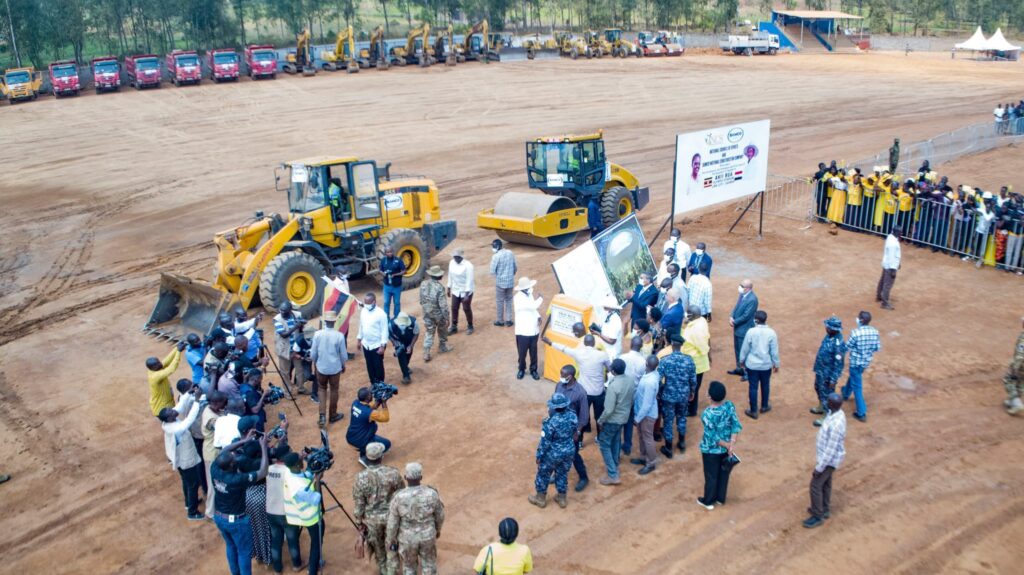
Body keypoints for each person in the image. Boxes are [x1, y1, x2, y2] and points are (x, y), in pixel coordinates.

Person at [212, 431, 269, 575]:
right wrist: (263, 447)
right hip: (237, 521)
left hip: (219, 516)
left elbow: (224, 451)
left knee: (231, 546)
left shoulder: (215, 468)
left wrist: (244, 440)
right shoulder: (236, 479)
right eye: (233, 458)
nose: (234, 456)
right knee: (244, 552)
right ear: (232, 465)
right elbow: (262, 472)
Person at [543, 334, 609, 444]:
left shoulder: (579, 353)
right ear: (593, 344)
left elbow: (564, 348)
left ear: (584, 344)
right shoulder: (602, 355)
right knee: (599, 416)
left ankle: (580, 440)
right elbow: (610, 368)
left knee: (581, 414)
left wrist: (550, 342)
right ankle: (600, 438)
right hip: (598, 392)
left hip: (584, 392)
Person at [353, 442, 406, 574]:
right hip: (391, 519)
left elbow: (359, 504)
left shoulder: (360, 478)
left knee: (379, 549)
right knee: (392, 548)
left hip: (372, 521)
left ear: (367, 457)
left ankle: (383, 570)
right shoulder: (393, 473)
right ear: (381, 457)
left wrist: (359, 522)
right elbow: (401, 495)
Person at [386, 462, 445, 575]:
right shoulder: (432, 494)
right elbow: (440, 515)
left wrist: (391, 539)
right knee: (429, 565)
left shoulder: (398, 497)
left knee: (409, 567)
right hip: (427, 536)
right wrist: (437, 530)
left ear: (405, 477)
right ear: (421, 477)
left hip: (407, 539)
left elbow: (392, 523)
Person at [158, 385, 204, 521]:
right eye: (171, 413)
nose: (174, 411)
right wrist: (196, 401)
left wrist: (187, 394)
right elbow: (190, 419)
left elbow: (179, 406)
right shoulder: (177, 428)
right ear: (169, 418)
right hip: (186, 459)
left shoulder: (167, 423)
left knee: (186, 481)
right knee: (193, 484)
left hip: (179, 459)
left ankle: (188, 503)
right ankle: (192, 511)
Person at [696, 381, 742, 510]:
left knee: (711, 475)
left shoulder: (707, 414)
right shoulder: (729, 406)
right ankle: (721, 498)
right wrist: (731, 444)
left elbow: (712, 437)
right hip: (725, 449)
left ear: (709, 396)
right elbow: (735, 425)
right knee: (724, 473)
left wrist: (727, 445)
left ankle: (708, 501)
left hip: (710, 450)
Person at [803, 393, 846, 528]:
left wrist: (819, 468)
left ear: (833, 404)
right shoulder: (834, 413)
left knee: (815, 486)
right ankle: (825, 509)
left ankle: (817, 515)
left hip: (828, 460)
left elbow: (830, 450)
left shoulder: (837, 424)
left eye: (829, 401)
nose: (826, 402)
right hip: (827, 458)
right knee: (826, 483)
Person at [528, 393, 579, 508]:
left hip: (553, 453)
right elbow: (576, 433)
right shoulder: (573, 416)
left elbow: (545, 442)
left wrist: (539, 456)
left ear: (554, 407)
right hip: (569, 450)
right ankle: (562, 498)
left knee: (543, 473)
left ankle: (540, 499)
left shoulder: (550, 422)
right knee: (562, 473)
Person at [281, 452, 323, 575]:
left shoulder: (288, 471)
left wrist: (310, 471)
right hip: (310, 517)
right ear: (298, 465)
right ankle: (312, 570)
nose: (303, 461)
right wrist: (318, 481)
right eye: (301, 460)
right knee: (316, 543)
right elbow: (316, 499)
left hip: (295, 514)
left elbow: (303, 475)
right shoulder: (298, 488)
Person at [266, 441, 304, 574]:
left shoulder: (269, 468)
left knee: (276, 540)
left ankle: (277, 569)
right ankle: (297, 565)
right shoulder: (289, 471)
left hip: (271, 510)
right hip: (286, 512)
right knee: (292, 539)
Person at [597, 359, 636, 486]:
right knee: (616, 440)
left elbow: (608, 409)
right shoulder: (630, 380)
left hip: (613, 419)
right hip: (623, 417)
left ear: (613, 371)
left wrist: (600, 420)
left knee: (604, 444)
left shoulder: (613, 386)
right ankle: (615, 462)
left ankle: (613, 474)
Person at [657, 334, 696, 458]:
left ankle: (668, 448)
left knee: (668, 420)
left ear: (672, 344)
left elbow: (658, 379)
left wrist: (659, 393)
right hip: (684, 395)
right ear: (681, 345)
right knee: (682, 417)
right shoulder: (689, 360)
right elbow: (693, 380)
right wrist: (692, 392)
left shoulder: (665, 360)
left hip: (668, 395)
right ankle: (682, 443)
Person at [554, 365, 590, 492]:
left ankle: (584, 477)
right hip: (557, 427)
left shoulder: (580, 393)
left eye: (563, 375)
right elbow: (554, 402)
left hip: (572, 430)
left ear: (570, 377)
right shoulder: (559, 385)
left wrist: (578, 431)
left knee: (573, 454)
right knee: (557, 452)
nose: (561, 377)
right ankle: (558, 473)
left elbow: (584, 416)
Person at [738, 310, 779, 419]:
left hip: (752, 365)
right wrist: (776, 364)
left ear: (756, 320)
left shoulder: (751, 332)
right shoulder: (771, 333)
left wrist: (741, 361)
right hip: (766, 365)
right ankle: (764, 406)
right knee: (765, 385)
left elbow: (745, 348)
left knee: (753, 387)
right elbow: (774, 351)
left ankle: (753, 410)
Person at [843, 311, 881, 423]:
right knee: (855, 377)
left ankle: (861, 412)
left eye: (858, 318)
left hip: (855, 362)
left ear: (861, 320)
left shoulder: (855, 333)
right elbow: (877, 348)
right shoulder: (875, 332)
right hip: (865, 362)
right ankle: (845, 393)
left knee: (857, 387)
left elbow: (847, 347)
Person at [312, 311, 347, 427]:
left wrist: (316, 362)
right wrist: (343, 365)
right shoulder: (339, 336)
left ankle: (322, 416)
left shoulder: (317, 334)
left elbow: (313, 354)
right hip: (335, 368)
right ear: (335, 321)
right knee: (334, 390)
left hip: (321, 367)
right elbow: (344, 356)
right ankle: (333, 415)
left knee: (321, 389)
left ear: (324, 321)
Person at [812, 316, 846, 427]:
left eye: (828, 326)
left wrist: (833, 379)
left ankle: (827, 415)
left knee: (827, 394)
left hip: (828, 374)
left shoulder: (838, 344)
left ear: (833, 329)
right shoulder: (829, 336)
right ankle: (821, 406)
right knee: (818, 387)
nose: (826, 327)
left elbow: (838, 364)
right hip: (821, 370)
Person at [631, 355, 660, 475]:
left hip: (646, 415)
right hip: (642, 412)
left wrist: (638, 418)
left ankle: (651, 463)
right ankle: (643, 457)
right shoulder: (651, 373)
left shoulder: (650, 382)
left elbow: (647, 404)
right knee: (642, 436)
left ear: (647, 364)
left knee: (647, 439)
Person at [202, 390, 228, 519]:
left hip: (216, 450)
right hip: (212, 452)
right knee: (213, 484)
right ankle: (210, 512)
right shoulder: (209, 417)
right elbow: (219, 426)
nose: (224, 405)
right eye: (222, 403)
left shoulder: (212, 409)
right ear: (215, 403)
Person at [347, 387, 391, 463]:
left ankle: (363, 451)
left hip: (351, 437)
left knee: (373, 436)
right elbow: (385, 418)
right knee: (387, 444)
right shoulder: (370, 413)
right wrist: (384, 403)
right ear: (368, 397)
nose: (372, 395)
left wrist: (379, 401)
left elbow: (371, 407)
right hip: (359, 441)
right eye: (370, 394)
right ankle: (367, 458)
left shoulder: (355, 403)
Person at [681, 306, 711, 417]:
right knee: (692, 386)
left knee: (693, 387)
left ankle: (691, 410)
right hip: (693, 362)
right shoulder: (700, 320)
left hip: (695, 363)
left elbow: (702, 346)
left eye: (688, 313)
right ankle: (690, 407)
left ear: (692, 316)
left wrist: (706, 352)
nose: (686, 314)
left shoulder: (696, 329)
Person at [419, 265, 453, 361]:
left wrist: (425, 308)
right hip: (438, 314)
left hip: (426, 312)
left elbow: (421, 299)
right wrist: (447, 317)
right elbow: (443, 305)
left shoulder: (423, 284)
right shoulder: (440, 287)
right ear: (439, 276)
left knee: (429, 331)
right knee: (442, 329)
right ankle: (442, 346)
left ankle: (426, 353)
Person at [513, 276, 543, 380]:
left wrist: (538, 316)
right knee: (522, 352)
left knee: (533, 351)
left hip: (533, 329)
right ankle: (521, 369)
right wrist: (540, 298)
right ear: (522, 289)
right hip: (523, 331)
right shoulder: (518, 298)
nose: (529, 289)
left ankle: (533, 369)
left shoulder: (529, 294)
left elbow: (533, 310)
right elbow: (532, 306)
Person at [727, 280, 758, 381]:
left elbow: (746, 316)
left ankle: (747, 373)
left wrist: (734, 322)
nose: (740, 287)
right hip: (738, 327)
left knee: (744, 351)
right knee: (737, 349)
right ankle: (739, 368)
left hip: (744, 329)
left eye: (742, 286)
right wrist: (731, 316)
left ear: (748, 288)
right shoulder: (742, 295)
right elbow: (736, 307)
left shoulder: (752, 299)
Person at [147, 341, 186, 417]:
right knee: (172, 424)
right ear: (153, 368)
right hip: (162, 409)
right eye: (157, 364)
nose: (160, 363)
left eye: (158, 361)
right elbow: (171, 368)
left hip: (166, 403)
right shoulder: (155, 376)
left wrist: (176, 349)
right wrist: (178, 352)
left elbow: (166, 361)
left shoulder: (155, 368)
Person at [358, 292, 389, 385]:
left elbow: (384, 331)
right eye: (365, 303)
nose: (366, 305)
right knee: (369, 365)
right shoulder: (363, 311)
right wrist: (359, 339)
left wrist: (383, 346)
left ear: (374, 302)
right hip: (366, 344)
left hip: (377, 345)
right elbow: (361, 326)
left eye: (368, 303)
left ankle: (380, 383)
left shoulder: (381, 314)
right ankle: (373, 383)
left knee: (378, 366)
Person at [272, 302, 303, 387]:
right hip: (284, 349)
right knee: (285, 372)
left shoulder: (297, 315)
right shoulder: (277, 319)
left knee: (299, 370)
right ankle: (287, 392)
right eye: (281, 310)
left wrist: (301, 325)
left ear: (290, 310)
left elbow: (301, 330)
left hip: (296, 348)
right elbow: (284, 335)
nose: (282, 312)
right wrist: (296, 326)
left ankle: (301, 388)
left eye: (284, 311)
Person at [490, 239, 518, 327]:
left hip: (500, 283)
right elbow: (515, 267)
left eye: (493, 246)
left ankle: (500, 320)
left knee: (500, 301)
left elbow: (492, 271)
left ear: (497, 247)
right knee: (509, 300)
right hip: (510, 282)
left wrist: (498, 277)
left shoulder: (495, 257)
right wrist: (510, 276)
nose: (493, 248)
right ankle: (509, 320)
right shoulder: (510, 253)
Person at [447, 248, 475, 335]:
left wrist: (466, 295)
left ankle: (470, 325)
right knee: (454, 307)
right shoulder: (451, 263)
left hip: (466, 290)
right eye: (454, 257)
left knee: (466, 308)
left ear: (461, 257)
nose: (455, 259)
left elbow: (469, 280)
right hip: (456, 289)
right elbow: (450, 275)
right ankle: (454, 326)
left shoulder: (468, 266)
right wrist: (448, 287)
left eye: (457, 257)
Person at [389, 312, 420, 384]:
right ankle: (406, 376)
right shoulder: (391, 325)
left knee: (408, 355)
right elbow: (389, 335)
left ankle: (406, 367)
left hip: (409, 341)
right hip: (398, 341)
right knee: (401, 356)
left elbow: (416, 334)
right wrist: (395, 343)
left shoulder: (414, 323)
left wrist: (411, 346)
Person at [1002, 317, 1024, 416]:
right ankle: (1013, 400)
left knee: (1009, 379)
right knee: (1021, 381)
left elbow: (1020, 355)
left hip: (1021, 365)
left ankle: (1016, 402)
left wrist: (1016, 368)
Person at [877, 226, 902, 310]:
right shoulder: (893, 244)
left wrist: (897, 263)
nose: (901, 233)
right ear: (896, 232)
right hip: (890, 266)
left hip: (886, 263)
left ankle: (879, 296)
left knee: (882, 281)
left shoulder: (890, 237)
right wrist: (893, 269)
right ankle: (885, 303)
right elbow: (892, 257)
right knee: (888, 284)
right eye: (900, 232)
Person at [379, 246, 407, 319]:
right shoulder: (383, 261)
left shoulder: (398, 260)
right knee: (386, 303)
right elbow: (380, 270)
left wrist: (395, 275)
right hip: (387, 286)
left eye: (391, 252)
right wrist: (383, 274)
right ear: (385, 253)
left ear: (393, 252)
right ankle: (386, 318)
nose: (390, 253)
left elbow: (404, 271)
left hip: (396, 286)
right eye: (388, 252)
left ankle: (397, 318)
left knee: (397, 303)